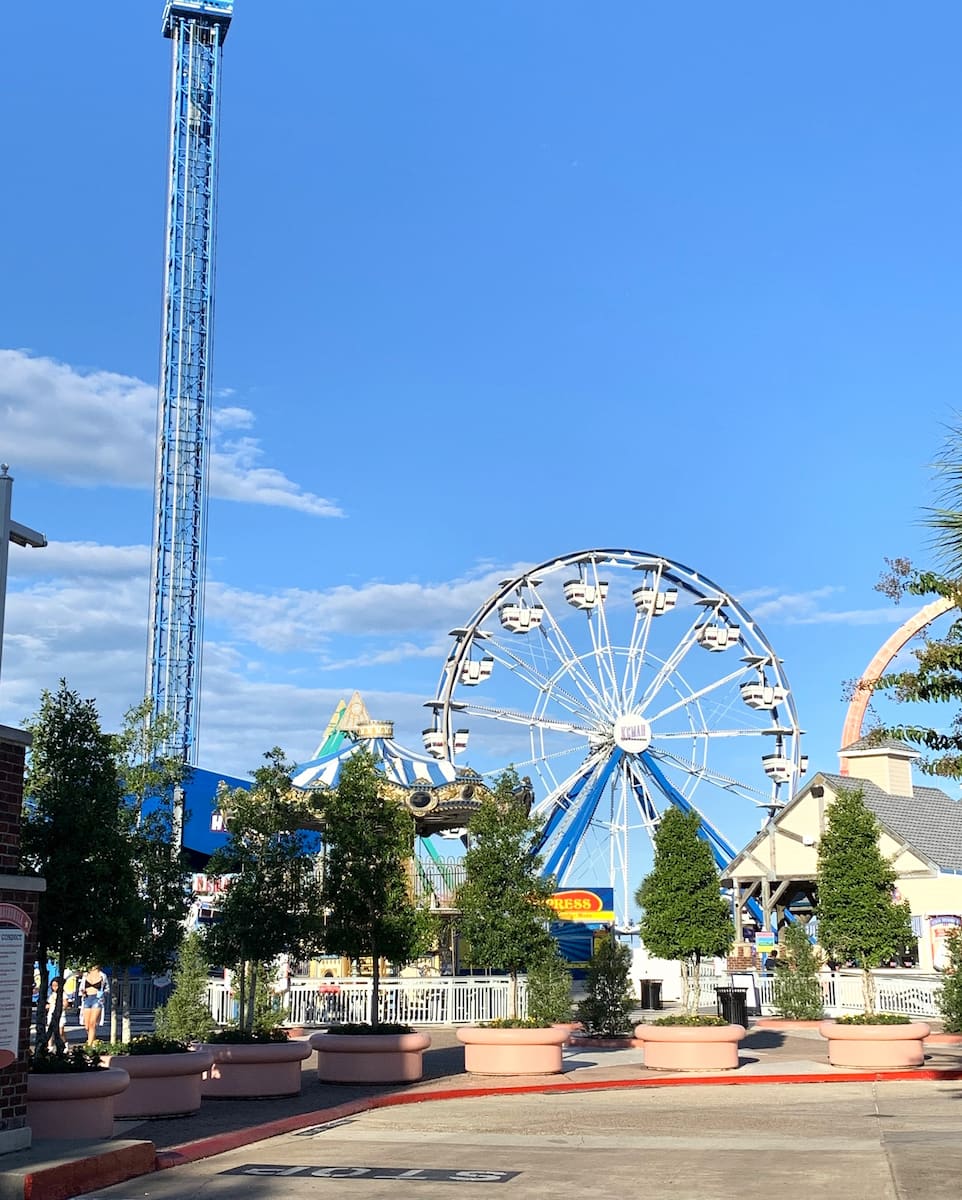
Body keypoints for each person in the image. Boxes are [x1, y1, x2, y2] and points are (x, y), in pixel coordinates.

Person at [79, 966, 108, 1045]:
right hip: (87, 998)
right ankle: (94, 1041)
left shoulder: (102, 975)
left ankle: (89, 1045)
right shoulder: (85, 975)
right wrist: (83, 991)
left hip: (97, 999)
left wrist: (102, 993)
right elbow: (81, 988)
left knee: (92, 1023)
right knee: (87, 1025)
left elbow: (107, 989)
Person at [46, 977, 67, 1050]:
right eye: (53, 986)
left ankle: (65, 1044)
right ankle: (50, 1046)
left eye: (56, 985)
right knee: (50, 1031)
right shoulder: (51, 994)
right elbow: (49, 1004)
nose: (54, 987)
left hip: (60, 1014)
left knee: (60, 1032)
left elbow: (65, 1004)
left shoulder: (63, 994)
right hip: (51, 1014)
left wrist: (61, 1007)